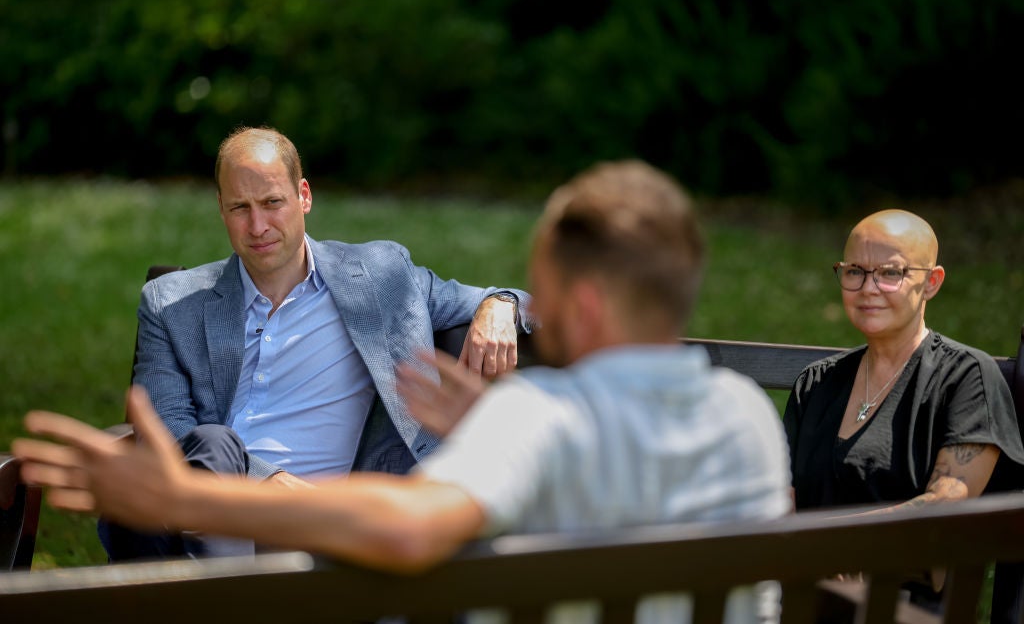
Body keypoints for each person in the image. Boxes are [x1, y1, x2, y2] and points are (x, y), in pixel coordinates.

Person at [16, 160, 791, 621]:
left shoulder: (541, 421)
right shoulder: (748, 416)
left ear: (581, 306)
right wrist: (494, 424)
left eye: (541, 286)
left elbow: (411, 532)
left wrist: (186, 501)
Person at [101, 126, 532, 559]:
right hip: (215, 510)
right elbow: (167, 431)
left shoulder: (380, 275)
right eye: (240, 208)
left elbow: (522, 302)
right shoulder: (172, 302)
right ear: (221, 209)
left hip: (341, 523)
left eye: (272, 203)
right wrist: (264, 481)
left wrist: (500, 303)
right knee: (206, 449)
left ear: (303, 195)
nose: (258, 226)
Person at [782, 209, 1024, 612]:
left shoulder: (965, 379)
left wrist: (823, 542)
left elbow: (945, 508)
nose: (868, 287)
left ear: (931, 282)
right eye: (855, 270)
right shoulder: (816, 384)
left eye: (890, 273)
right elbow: (776, 505)